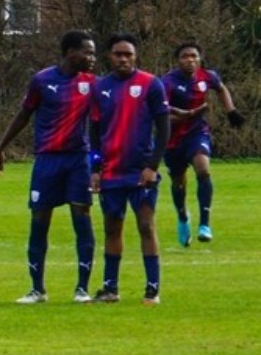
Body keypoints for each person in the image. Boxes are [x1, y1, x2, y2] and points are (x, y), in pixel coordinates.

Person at [0, 29, 98, 304]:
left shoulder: (92, 83)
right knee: (39, 221)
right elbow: (24, 114)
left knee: (81, 218)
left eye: (93, 52)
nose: (92, 57)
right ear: (70, 52)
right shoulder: (42, 80)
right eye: (87, 52)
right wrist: (1, 146)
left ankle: (82, 289)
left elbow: (108, 118)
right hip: (47, 161)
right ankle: (37, 289)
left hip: (78, 160)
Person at [90, 33, 171, 305]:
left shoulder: (151, 84)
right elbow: (95, 131)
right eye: (118, 54)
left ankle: (152, 289)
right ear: (109, 56)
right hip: (111, 171)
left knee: (146, 225)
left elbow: (163, 129)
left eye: (128, 54)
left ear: (135, 56)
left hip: (141, 171)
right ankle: (110, 288)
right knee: (112, 227)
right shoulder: (100, 88)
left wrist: (152, 166)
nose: (123, 58)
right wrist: (96, 168)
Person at [162, 42, 244, 247]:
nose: (190, 60)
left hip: (197, 133)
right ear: (177, 60)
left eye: (194, 56)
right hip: (172, 138)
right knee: (178, 181)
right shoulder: (167, 82)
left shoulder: (207, 76)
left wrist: (231, 111)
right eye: (185, 56)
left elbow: (221, 88)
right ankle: (182, 217)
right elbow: (160, 115)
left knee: (203, 170)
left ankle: (205, 225)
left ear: (199, 59)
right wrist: (182, 117)